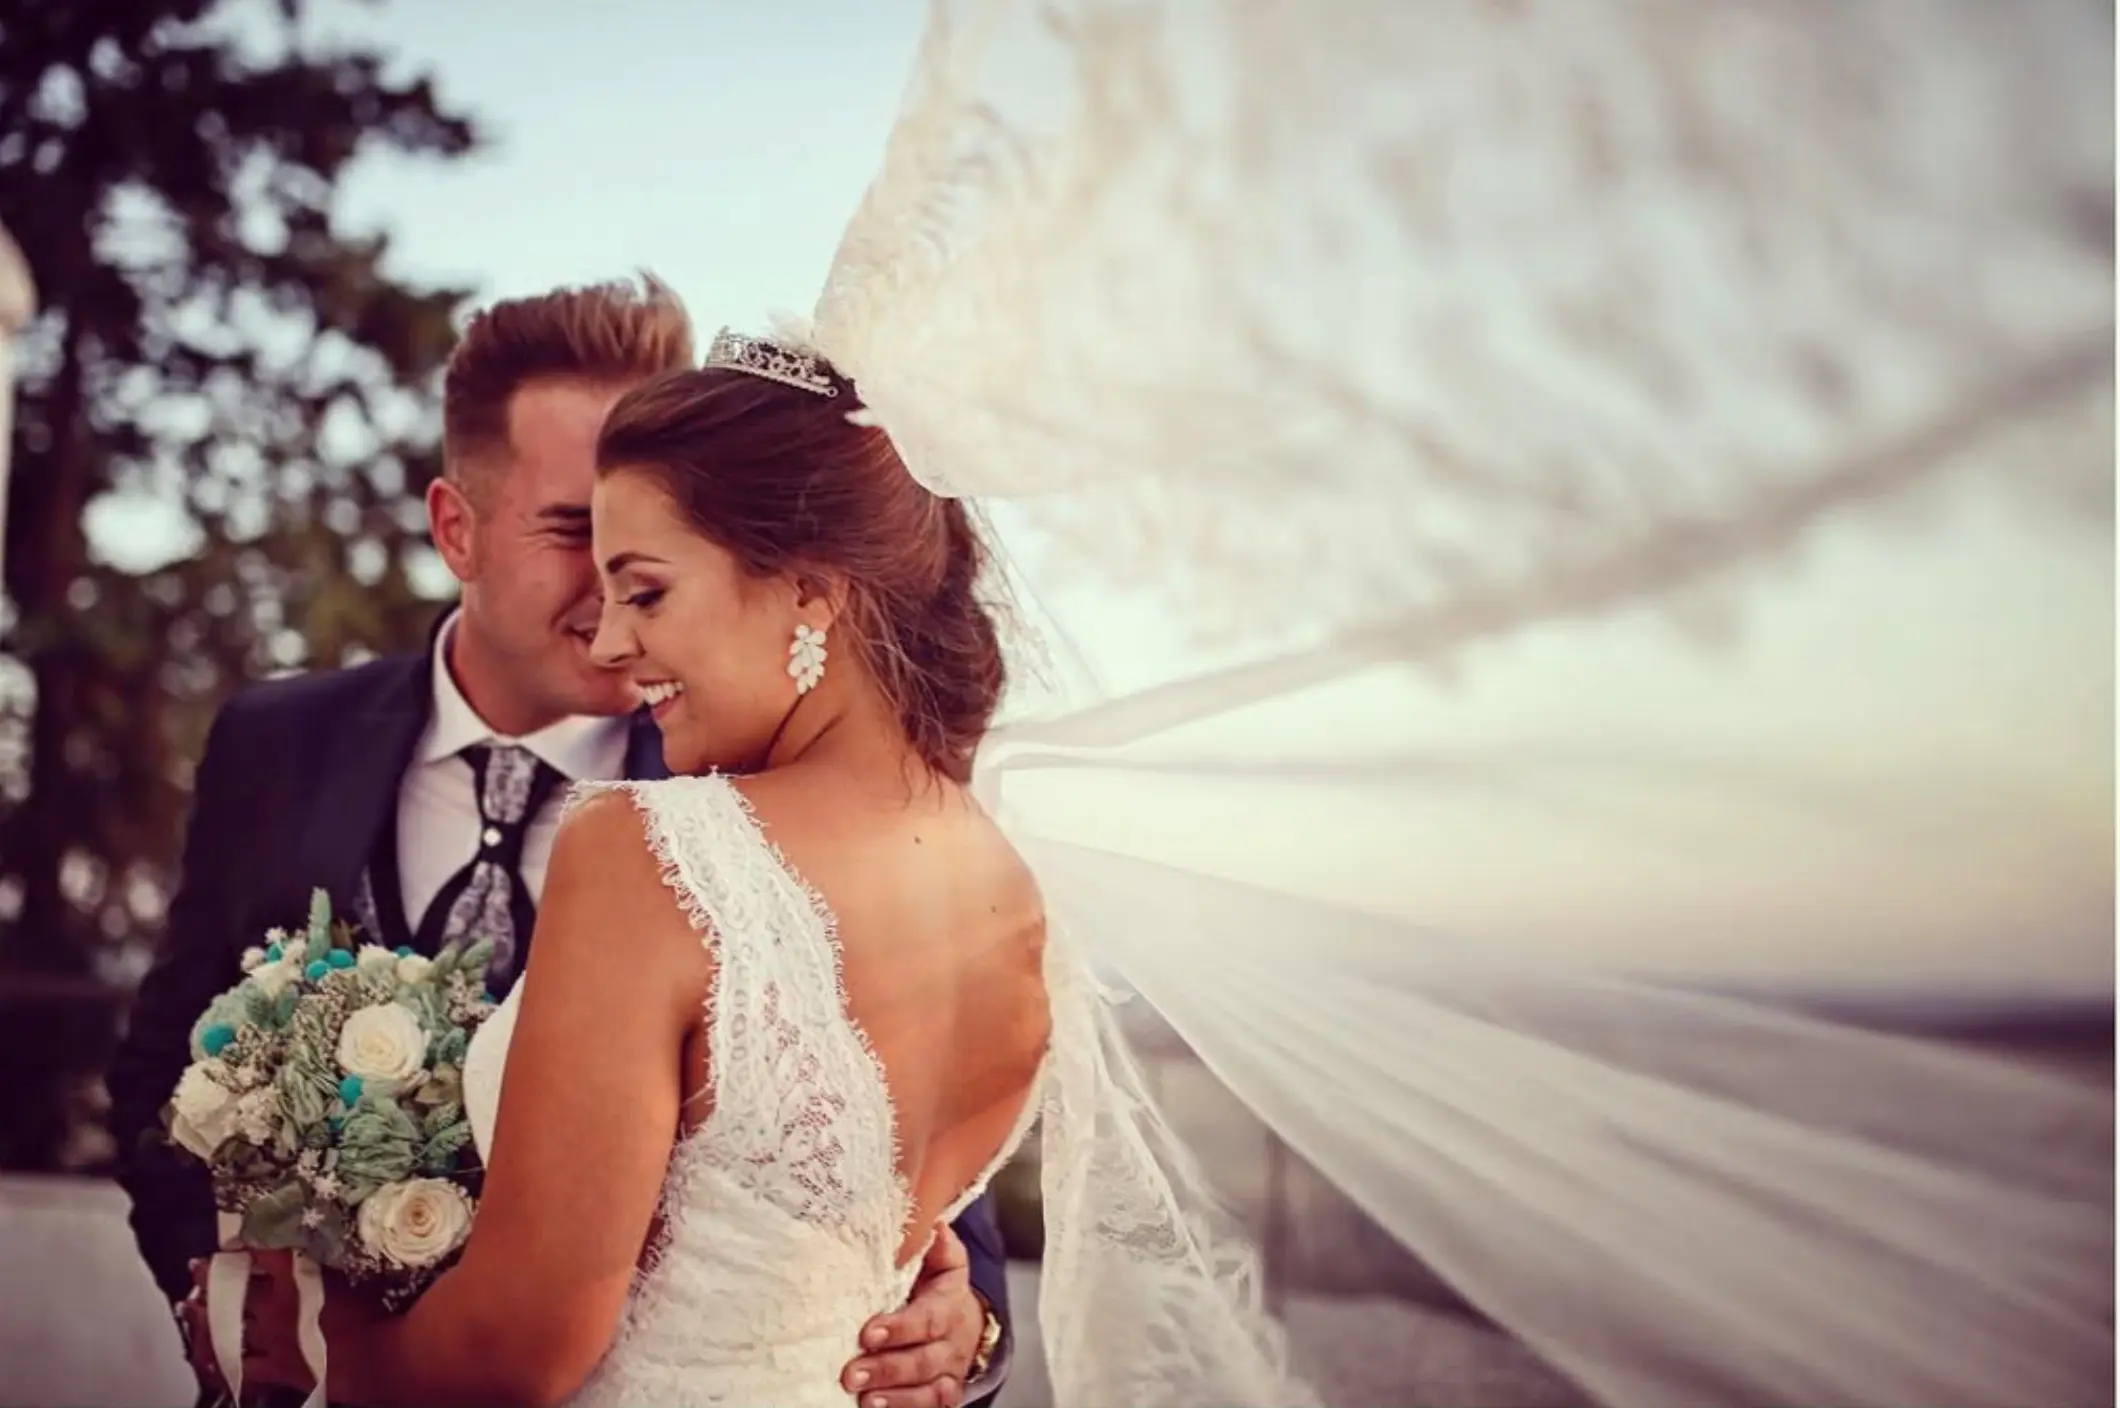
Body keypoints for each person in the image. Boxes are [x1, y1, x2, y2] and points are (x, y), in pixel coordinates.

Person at [106, 282, 1013, 1408]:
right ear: (456, 529)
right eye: (572, 529)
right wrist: (237, 1304)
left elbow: (904, 1160)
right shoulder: (274, 742)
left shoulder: (757, 800)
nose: (609, 597)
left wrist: (962, 1324)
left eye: (647, 550)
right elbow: (163, 1067)